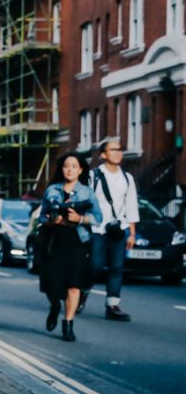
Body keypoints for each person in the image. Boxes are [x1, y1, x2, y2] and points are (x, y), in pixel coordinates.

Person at [38, 153, 99, 342]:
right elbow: (41, 216)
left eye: (74, 166)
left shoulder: (87, 193)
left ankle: (68, 324)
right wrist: (50, 221)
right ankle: (55, 306)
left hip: (76, 241)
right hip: (54, 241)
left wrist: (80, 219)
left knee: (74, 286)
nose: (70, 169)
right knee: (51, 285)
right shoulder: (52, 190)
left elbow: (98, 217)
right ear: (61, 169)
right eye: (66, 166)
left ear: (81, 170)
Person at [82, 137, 139, 321]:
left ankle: (112, 305)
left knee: (117, 268)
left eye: (120, 149)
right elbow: (85, 200)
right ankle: (82, 292)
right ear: (103, 155)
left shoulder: (127, 178)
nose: (118, 152)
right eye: (113, 150)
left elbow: (131, 206)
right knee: (95, 265)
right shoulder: (94, 176)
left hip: (119, 229)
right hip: (98, 228)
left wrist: (131, 233)